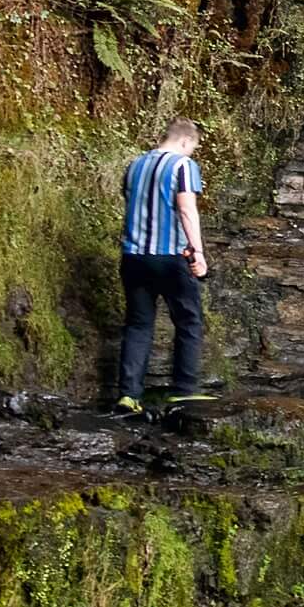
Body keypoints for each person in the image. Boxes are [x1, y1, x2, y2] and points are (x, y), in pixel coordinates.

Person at [114, 118, 213, 417]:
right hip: (170, 257)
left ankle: (129, 396)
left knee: (138, 325)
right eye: (193, 148)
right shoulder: (183, 166)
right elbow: (185, 208)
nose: (192, 153)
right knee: (188, 321)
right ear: (185, 141)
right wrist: (197, 252)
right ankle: (183, 392)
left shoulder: (135, 165)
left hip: (133, 257)